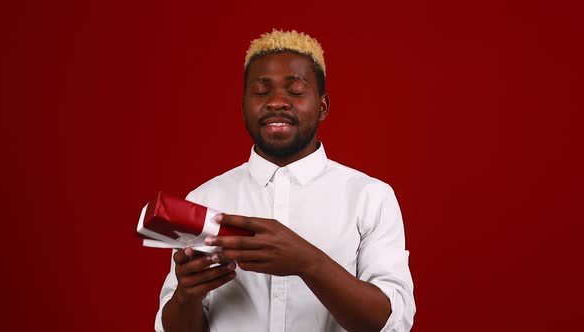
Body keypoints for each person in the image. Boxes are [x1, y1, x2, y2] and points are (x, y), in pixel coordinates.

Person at [155, 30, 415, 332]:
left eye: (295, 90)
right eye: (261, 91)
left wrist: (309, 263)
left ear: (322, 106)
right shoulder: (204, 199)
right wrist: (187, 295)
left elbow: (390, 323)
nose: (277, 102)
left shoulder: (371, 197)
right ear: (243, 106)